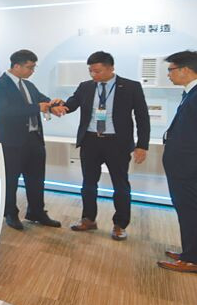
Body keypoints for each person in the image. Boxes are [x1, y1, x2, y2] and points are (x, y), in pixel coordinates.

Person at [50, 51, 150, 240]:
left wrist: (142, 145)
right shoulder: (86, 86)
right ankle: (88, 219)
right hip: (90, 141)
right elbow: (72, 104)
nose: (93, 75)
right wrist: (59, 104)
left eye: (97, 71)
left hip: (117, 143)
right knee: (88, 183)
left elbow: (142, 117)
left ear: (111, 68)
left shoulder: (131, 87)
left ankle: (120, 224)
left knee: (120, 185)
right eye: (91, 71)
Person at [0, 49, 61, 230]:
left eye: (34, 67)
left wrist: (53, 104)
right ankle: (10, 213)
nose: (32, 71)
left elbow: (42, 100)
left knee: (36, 179)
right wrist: (37, 107)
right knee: (11, 180)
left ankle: (37, 212)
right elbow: (4, 111)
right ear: (16, 66)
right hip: (11, 143)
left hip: (34, 140)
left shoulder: (28, 85)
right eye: (30, 67)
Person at [157, 50, 197, 274]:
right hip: (186, 162)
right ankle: (194, 252)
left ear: (185, 70)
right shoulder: (195, 92)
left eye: (171, 70)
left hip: (188, 164)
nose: (168, 74)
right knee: (194, 208)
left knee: (191, 210)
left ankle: (194, 259)